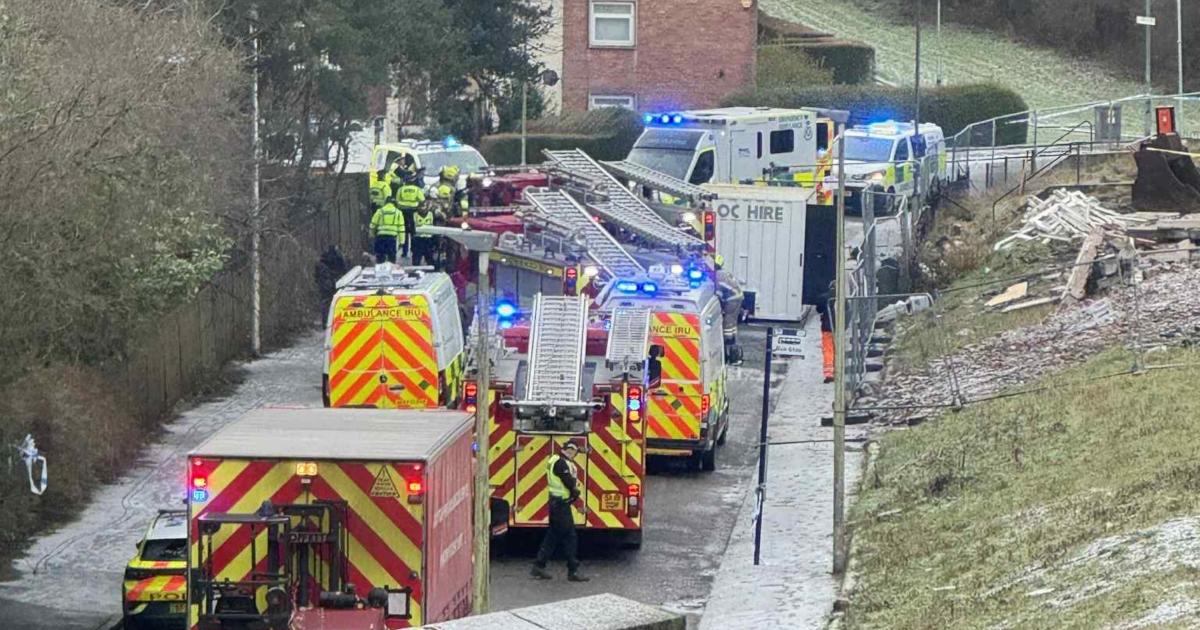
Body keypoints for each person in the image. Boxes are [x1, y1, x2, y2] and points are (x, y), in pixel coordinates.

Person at [531, 442, 589, 582]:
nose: (572, 453)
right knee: (569, 536)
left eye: (574, 451)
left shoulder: (556, 460)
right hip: (560, 504)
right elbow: (567, 480)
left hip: (557, 503)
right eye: (570, 450)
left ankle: (539, 565)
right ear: (564, 450)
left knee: (554, 535)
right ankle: (572, 570)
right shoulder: (561, 463)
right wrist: (575, 492)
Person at [713, 254, 744, 365]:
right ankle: (732, 347)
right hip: (736, 298)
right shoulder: (722, 273)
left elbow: (717, 293)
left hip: (732, 300)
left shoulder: (717, 276)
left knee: (728, 324)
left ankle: (729, 346)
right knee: (731, 324)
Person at [394, 173, 426, 261]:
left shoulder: (401, 189)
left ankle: (404, 252)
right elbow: (422, 200)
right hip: (413, 211)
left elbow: (397, 200)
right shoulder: (417, 189)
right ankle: (414, 250)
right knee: (413, 232)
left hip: (403, 211)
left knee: (404, 232)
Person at [368, 197, 405, 264]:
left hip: (381, 237)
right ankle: (391, 269)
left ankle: (380, 269)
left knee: (380, 256)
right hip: (392, 238)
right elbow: (401, 228)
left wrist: (371, 233)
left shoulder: (380, 211)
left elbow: (373, 224)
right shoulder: (398, 212)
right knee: (392, 256)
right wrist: (402, 241)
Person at [410, 203, 440, 267]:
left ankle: (432, 273)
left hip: (429, 240)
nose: (422, 209)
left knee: (430, 260)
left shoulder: (431, 214)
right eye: (420, 207)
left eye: (423, 207)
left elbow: (435, 227)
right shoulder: (414, 215)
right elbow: (411, 228)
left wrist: (436, 240)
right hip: (418, 239)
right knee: (416, 260)